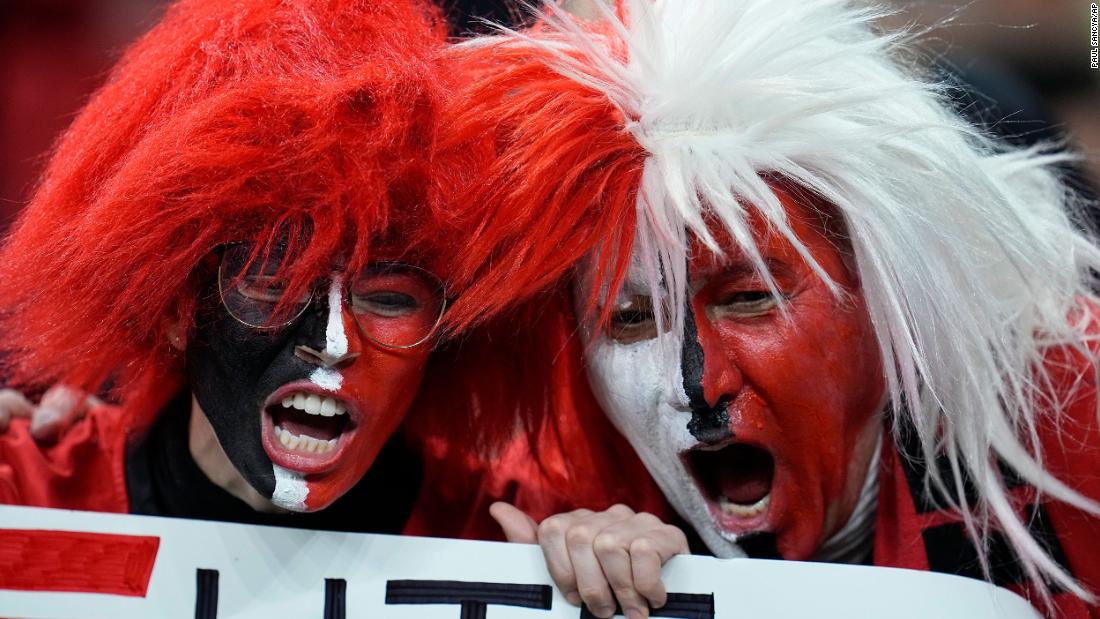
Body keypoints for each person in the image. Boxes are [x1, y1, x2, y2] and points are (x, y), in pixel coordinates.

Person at [440, 0, 1100, 617]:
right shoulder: (558, 502)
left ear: (879, 283)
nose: (696, 386)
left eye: (751, 298)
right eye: (630, 318)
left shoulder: (1074, 413)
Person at [0, 0, 524, 532]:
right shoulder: (27, 501)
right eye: (276, 285)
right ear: (176, 310)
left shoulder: (507, 537)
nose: (335, 343)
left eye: (388, 298)